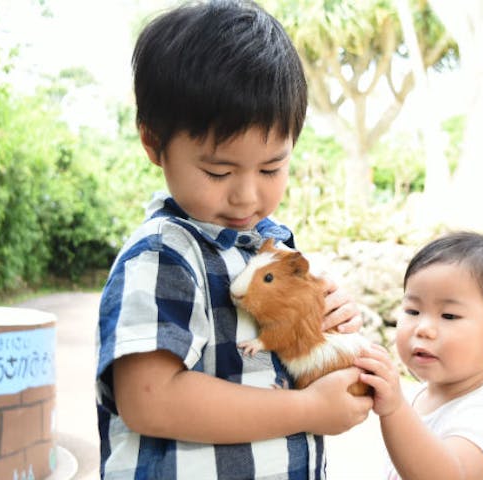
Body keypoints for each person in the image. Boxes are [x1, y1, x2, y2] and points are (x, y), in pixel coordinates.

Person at [95, 1, 372, 478]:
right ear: (153, 143)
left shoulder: (269, 245)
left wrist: (330, 315)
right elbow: (149, 400)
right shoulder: (164, 256)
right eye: (218, 170)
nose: (246, 195)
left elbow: (294, 342)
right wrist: (307, 409)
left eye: (271, 168)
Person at [356, 231, 483, 480]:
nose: (423, 328)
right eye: (412, 310)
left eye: (449, 316)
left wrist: (395, 408)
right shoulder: (418, 396)